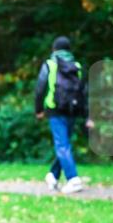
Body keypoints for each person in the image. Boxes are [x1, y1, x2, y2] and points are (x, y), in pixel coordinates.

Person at [34, 36, 95, 194]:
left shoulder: (50, 64)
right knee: (64, 144)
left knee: (62, 145)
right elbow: (84, 93)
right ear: (69, 50)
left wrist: (38, 109)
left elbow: (40, 88)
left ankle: (73, 180)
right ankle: (52, 176)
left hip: (55, 110)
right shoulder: (77, 66)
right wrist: (88, 115)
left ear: (54, 49)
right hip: (72, 110)